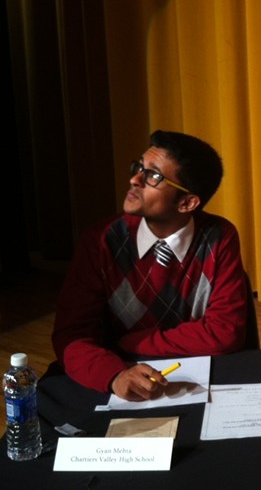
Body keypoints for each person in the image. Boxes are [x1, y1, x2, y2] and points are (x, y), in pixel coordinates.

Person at [52, 130, 248, 400]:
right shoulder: (101, 240)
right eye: (138, 168)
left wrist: (134, 342)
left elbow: (225, 332)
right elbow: (71, 335)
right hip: (120, 376)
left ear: (187, 202)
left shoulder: (218, 237)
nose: (134, 180)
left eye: (153, 176)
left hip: (192, 379)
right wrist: (114, 376)